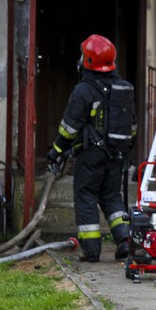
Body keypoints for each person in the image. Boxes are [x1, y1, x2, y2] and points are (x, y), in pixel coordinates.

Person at [46, 34, 136, 262]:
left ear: (87, 61)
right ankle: (125, 240)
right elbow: (132, 127)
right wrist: (127, 152)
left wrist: (56, 150)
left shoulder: (84, 90)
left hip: (91, 155)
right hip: (117, 154)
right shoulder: (123, 88)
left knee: (86, 196)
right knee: (112, 196)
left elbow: (69, 128)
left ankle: (91, 250)